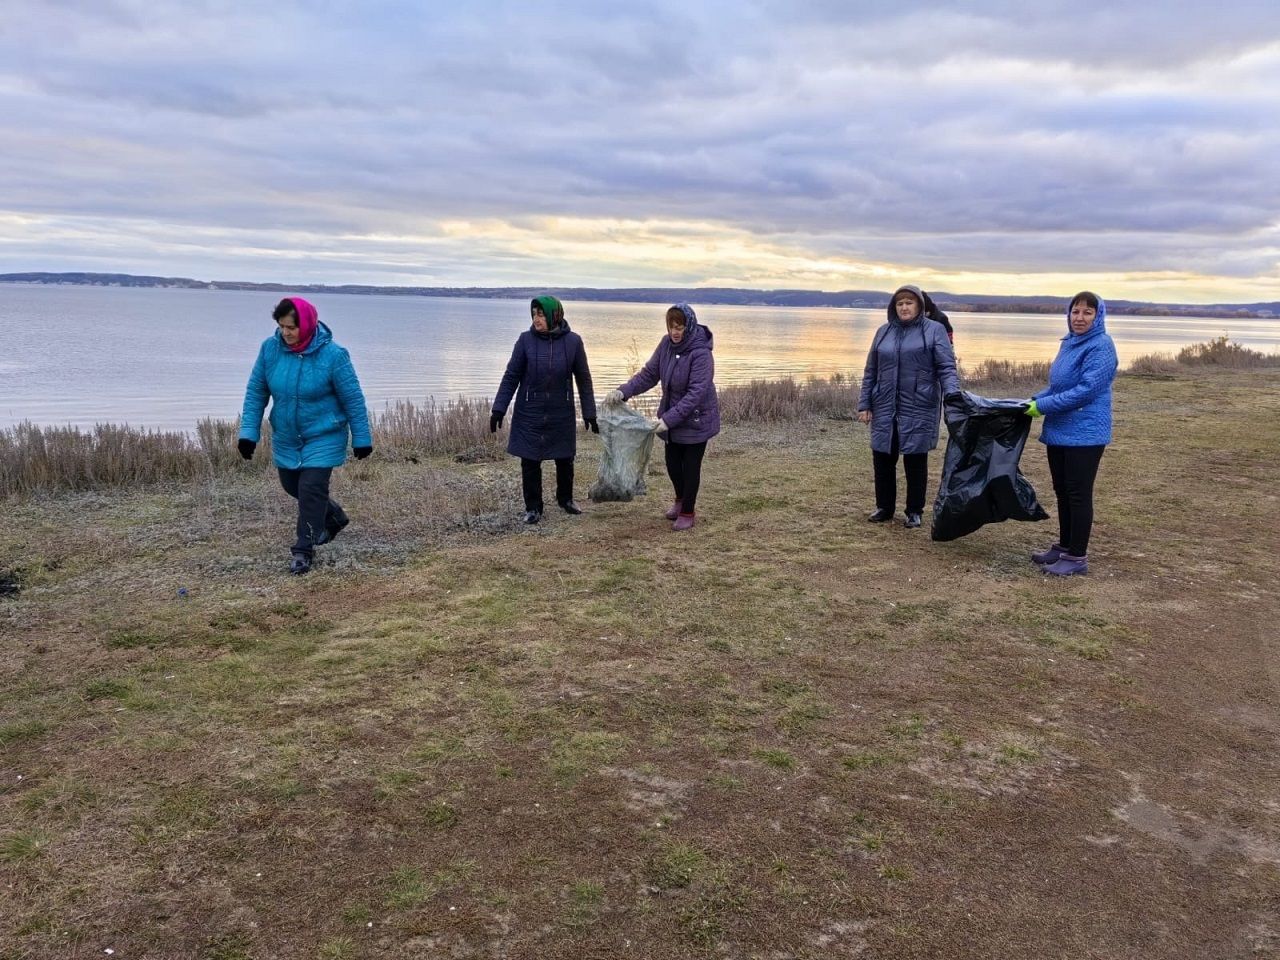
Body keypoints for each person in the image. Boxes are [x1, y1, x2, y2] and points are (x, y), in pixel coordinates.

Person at [238, 297, 372, 575]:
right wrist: (248, 433)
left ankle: (304, 549)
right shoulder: (270, 350)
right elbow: (256, 392)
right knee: (292, 486)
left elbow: (353, 399)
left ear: (308, 325)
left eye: (292, 327)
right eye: (282, 326)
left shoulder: (334, 355)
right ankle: (333, 517)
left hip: (324, 434)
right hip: (287, 435)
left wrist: (362, 437)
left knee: (310, 489)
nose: (286, 332)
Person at [1025, 291, 1118, 576]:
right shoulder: (1070, 343)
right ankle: (1064, 546)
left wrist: (1041, 407)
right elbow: (1058, 387)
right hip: (1061, 430)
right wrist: (1030, 401)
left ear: (1098, 316)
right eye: (1075, 312)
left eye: (1087, 313)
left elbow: (1085, 391)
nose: (1079, 318)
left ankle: (1077, 557)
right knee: (1062, 490)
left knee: (1078, 493)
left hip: (1086, 433)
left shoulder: (1101, 346)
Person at [607, 303, 720, 531]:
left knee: (690, 467)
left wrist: (668, 419)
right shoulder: (666, 345)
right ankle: (679, 500)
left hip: (697, 420)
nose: (674, 332)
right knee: (672, 465)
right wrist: (623, 392)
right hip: (672, 418)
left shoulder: (701, 354)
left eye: (679, 327)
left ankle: (688, 511)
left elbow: (695, 394)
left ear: (689, 326)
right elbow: (649, 374)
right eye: (671, 327)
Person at [857, 284, 960, 528]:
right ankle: (884, 507)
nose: (904, 307)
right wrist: (865, 403)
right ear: (894, 307)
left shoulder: (934, 330)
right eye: (899, 303)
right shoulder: (883, 332)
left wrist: (953, 396)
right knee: (883, 456)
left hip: (919, 404)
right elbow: (871, 370)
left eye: (909, 303)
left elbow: (946, 367)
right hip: (884, 403)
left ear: (919, 306)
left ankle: (914, 510)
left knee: (915, 458)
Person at [491, 296, 597, 524]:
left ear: (553, 316)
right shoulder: (525, 341)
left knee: (565, 458)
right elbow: (511, 376)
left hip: (561, 410)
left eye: (540, 314)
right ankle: (533, 508)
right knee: (530, 461)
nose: (536, 319)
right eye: (534, 314)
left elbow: (584, 379)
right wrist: (499, 408)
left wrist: (590, 412)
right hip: (530, 411)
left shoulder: (574, 342)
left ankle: (566, 499)